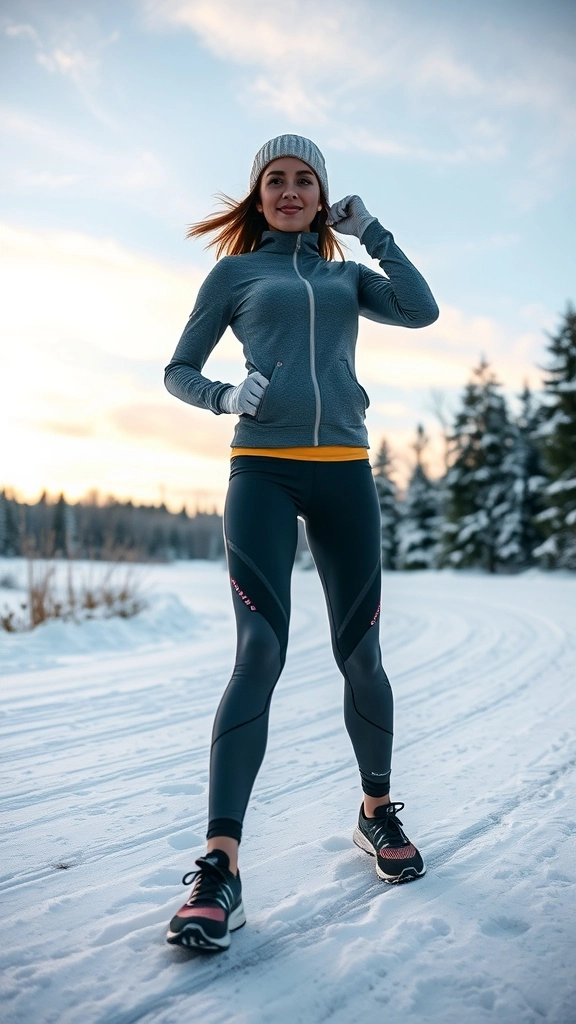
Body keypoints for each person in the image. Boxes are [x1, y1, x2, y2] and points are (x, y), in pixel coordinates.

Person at [164, 134, 439, 952]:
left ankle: (375, 812)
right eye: (275, 180)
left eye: (304, 180)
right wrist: (222, 394)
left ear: (324, 197)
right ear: (258, 196)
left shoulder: (347, 275)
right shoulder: (234, 275)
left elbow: (422, 310)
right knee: (260, 651)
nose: (289, 190)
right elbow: (178, 368)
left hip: (345, 473)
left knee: (362, 653)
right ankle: (221, 865)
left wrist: (375, 234)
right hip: (263, 471)